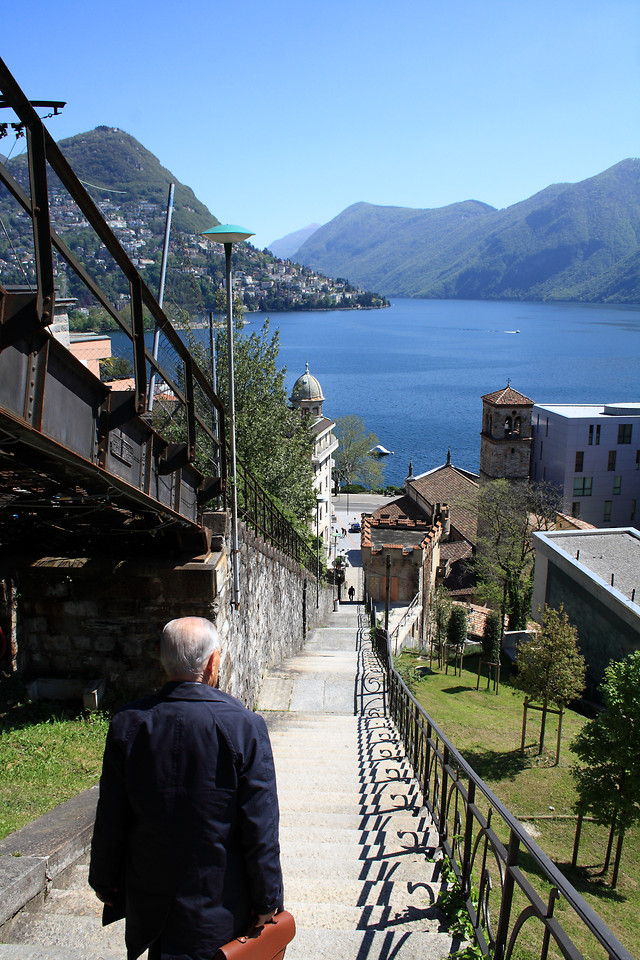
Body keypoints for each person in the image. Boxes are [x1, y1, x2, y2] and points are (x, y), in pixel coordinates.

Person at [89, 617, 283, 960]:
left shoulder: (128, 723)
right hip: (221, 904)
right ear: (212, 662)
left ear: (164, 661)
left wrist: (104, 881)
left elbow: (111, 816)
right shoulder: (245, 727)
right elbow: (260, 826)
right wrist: (268, 899)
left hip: (150, 902)